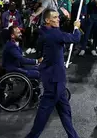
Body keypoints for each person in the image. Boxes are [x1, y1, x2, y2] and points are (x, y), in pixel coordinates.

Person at [26, 10, 81, 138]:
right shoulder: (54, 34)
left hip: (54, 77)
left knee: (65, 111)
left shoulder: (44, 32)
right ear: (47, 20)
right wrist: (76, 28)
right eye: (55, 17)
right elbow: (75, 38)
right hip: (54, 80)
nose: (58, 19)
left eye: (58, 17)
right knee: (44, 113)